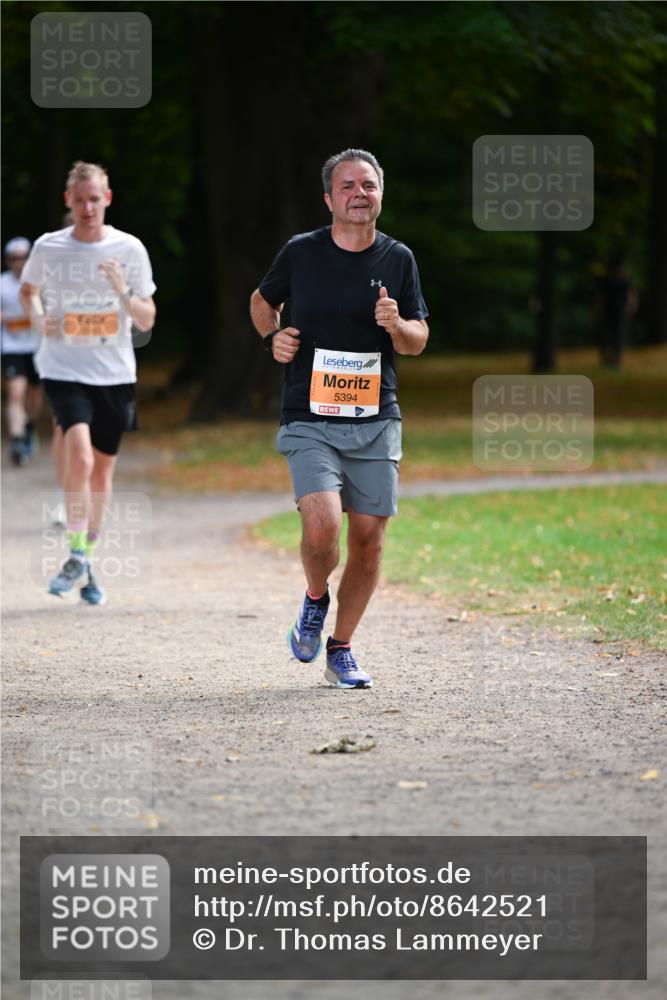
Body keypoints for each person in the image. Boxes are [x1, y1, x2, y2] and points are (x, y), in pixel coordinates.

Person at [250, 148, 429, 689]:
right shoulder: (301, 253)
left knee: (369, 540)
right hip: (309, 414)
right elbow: (262, 301)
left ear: (380, 195)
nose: (359, 193)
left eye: (368, 185)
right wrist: (272, 336)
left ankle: (341, 647)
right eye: (348, 185)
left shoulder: (398, 259)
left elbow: (419, 341)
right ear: (329, 198)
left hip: (377, 418)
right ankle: (313, 598)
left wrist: (397, 326)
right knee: (323, 525)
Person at [20, 161, 156, 604]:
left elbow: (147, 318)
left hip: (114, 373)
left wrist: (122, 290)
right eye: (79, 200)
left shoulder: (129, 249)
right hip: (63, 368)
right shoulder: (49, 246)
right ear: (68, 201)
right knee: (78, 459)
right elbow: (28, 292)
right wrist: (42, 321)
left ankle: (87, 556)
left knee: (102, 473)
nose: (87, 207)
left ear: (107, 199)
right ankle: (77, 551)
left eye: (94, 199)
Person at [1, 237, 42, 465]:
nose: (19, 262)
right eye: (15, 258)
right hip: (11, 346)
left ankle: (29, 426)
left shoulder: (38, 283)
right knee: (16, 391)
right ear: (9, 260)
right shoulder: (2, 283)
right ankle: (16, 440)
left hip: (36, 346)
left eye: (23, 257)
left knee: (34, 395)